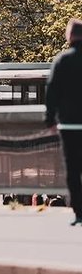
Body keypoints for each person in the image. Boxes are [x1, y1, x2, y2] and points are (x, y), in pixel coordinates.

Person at [45, 17, 82, 226]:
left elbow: (52, 92)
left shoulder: (61, 60)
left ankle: (79, 212)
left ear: (69, 36)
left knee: (73, 169)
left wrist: (49, 119)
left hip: (69, 124)